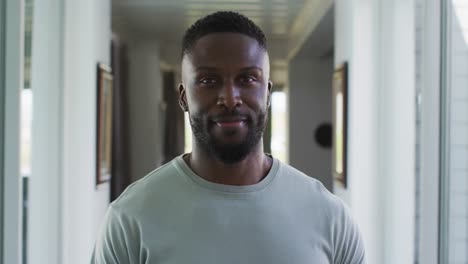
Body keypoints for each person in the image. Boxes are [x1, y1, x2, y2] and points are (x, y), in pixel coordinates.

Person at [91, 11, 366, 264]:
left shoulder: (330, 218)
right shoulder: (131, 217)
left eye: (247, 79)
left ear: (267, 94)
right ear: (184, 97)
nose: (230, 98)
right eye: (209, 81)